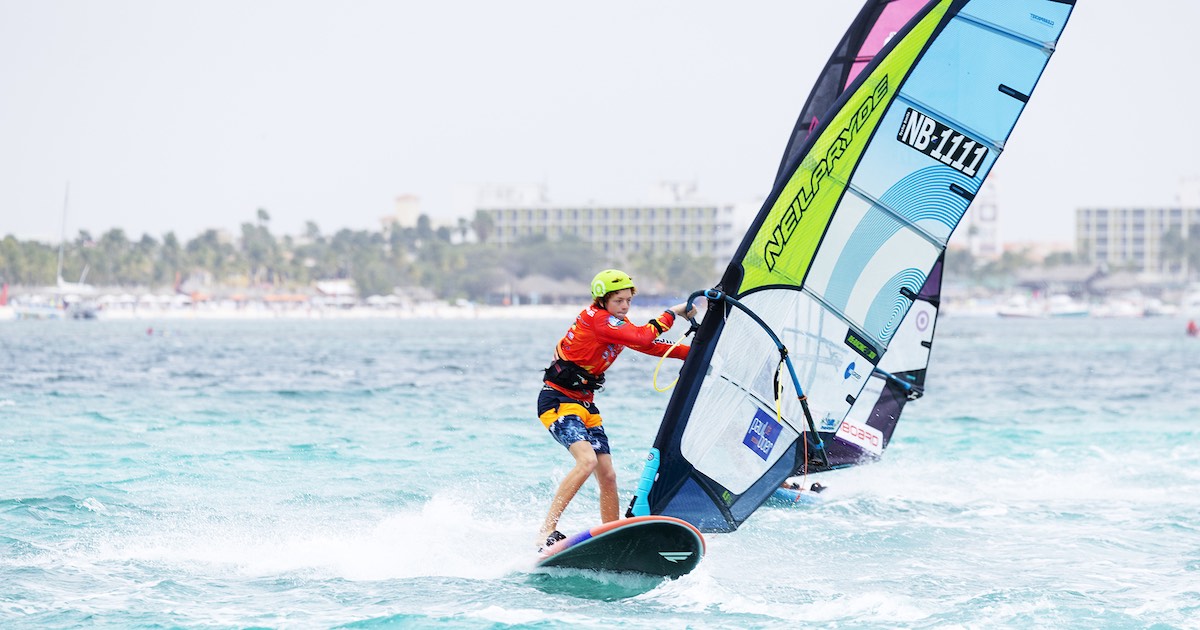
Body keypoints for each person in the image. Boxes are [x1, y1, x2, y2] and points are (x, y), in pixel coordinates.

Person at [536, 269, 694, 551]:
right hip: (558, 401)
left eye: (628, 301)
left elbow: (651, 345)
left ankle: (611, 535)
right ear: (603, 300)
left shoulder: (615, 323)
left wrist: (696, 352)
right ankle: (546, 530)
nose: (624, 307)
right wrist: (673, 312)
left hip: (586, 405)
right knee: (587, 461)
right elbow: (645, 337)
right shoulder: (598, 320)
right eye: (618, 301)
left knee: (607, 474)